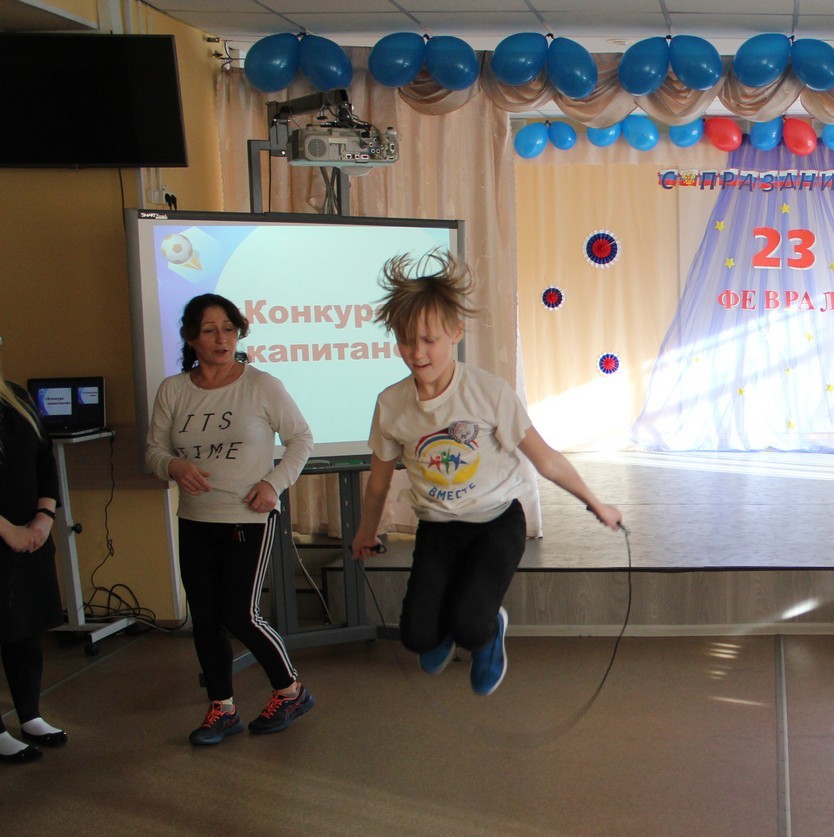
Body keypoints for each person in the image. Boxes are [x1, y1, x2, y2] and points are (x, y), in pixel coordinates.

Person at [351, 252, 622, 695]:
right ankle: (447, 628)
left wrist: (596, 504)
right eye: (406, 341)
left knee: (471, 626)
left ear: (456, 332)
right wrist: (366, 533)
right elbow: (378, 481)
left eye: (429, 340)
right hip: (438, 529)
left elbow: (546, 459)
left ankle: (488, 630)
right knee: (416, 638)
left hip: (496, 522)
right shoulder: (391, 404)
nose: (417, 353)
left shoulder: (488, 392)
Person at [145, 295, 316, 747]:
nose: (222, 338)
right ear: (190, 338)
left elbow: (301, 439)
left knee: (240, 615)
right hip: (195, 517)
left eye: (229, 328)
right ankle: (222, 709)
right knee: (204, 618)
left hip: (248, 516)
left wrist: (274, 484)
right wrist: (172, 466)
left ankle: (292, 692)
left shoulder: (261, 385)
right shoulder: (173, 390)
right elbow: (154, 451)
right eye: (209, 330)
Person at [0, 340, 68, 763]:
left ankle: (30, 715)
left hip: (29, 536)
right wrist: (6, 530)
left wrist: (43, 517)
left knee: (24, 626)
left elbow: (45, 461)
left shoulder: (15, 397)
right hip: (8, 534)